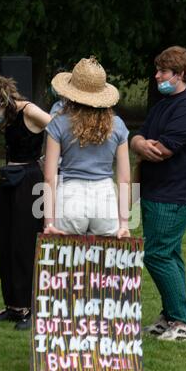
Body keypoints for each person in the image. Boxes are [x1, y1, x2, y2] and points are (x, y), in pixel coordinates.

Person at [130, 46, 186, 342]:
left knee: (156, 253)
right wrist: (139, 143)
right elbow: (137, 136)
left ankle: (184, 323)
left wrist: (141, 145)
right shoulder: (165, 104)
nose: (157, 76)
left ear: (179, 74)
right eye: (158, 70)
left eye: (163, 71)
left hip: (175, 195)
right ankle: (169, 317)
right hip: (158, 192)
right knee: (170, 254)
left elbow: (161, 151)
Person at [0, 70, 51, 330]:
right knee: (7, 242)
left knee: (26, 242)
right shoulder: (7, 116)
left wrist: (48, 163)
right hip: (9, 179)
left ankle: (31, 307)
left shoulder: (28, 111)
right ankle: (13, 305)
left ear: (1, 104)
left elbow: (57, 130)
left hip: (31, 181)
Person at [43, 56, 130, 239]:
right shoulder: (118, 125)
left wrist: (49, 223)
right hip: (105, 198)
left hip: (70, 197)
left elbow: (50, 177)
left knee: (66, 264)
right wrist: (124, 223)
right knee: (104, 264)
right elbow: (124, 179)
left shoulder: (58, 123)